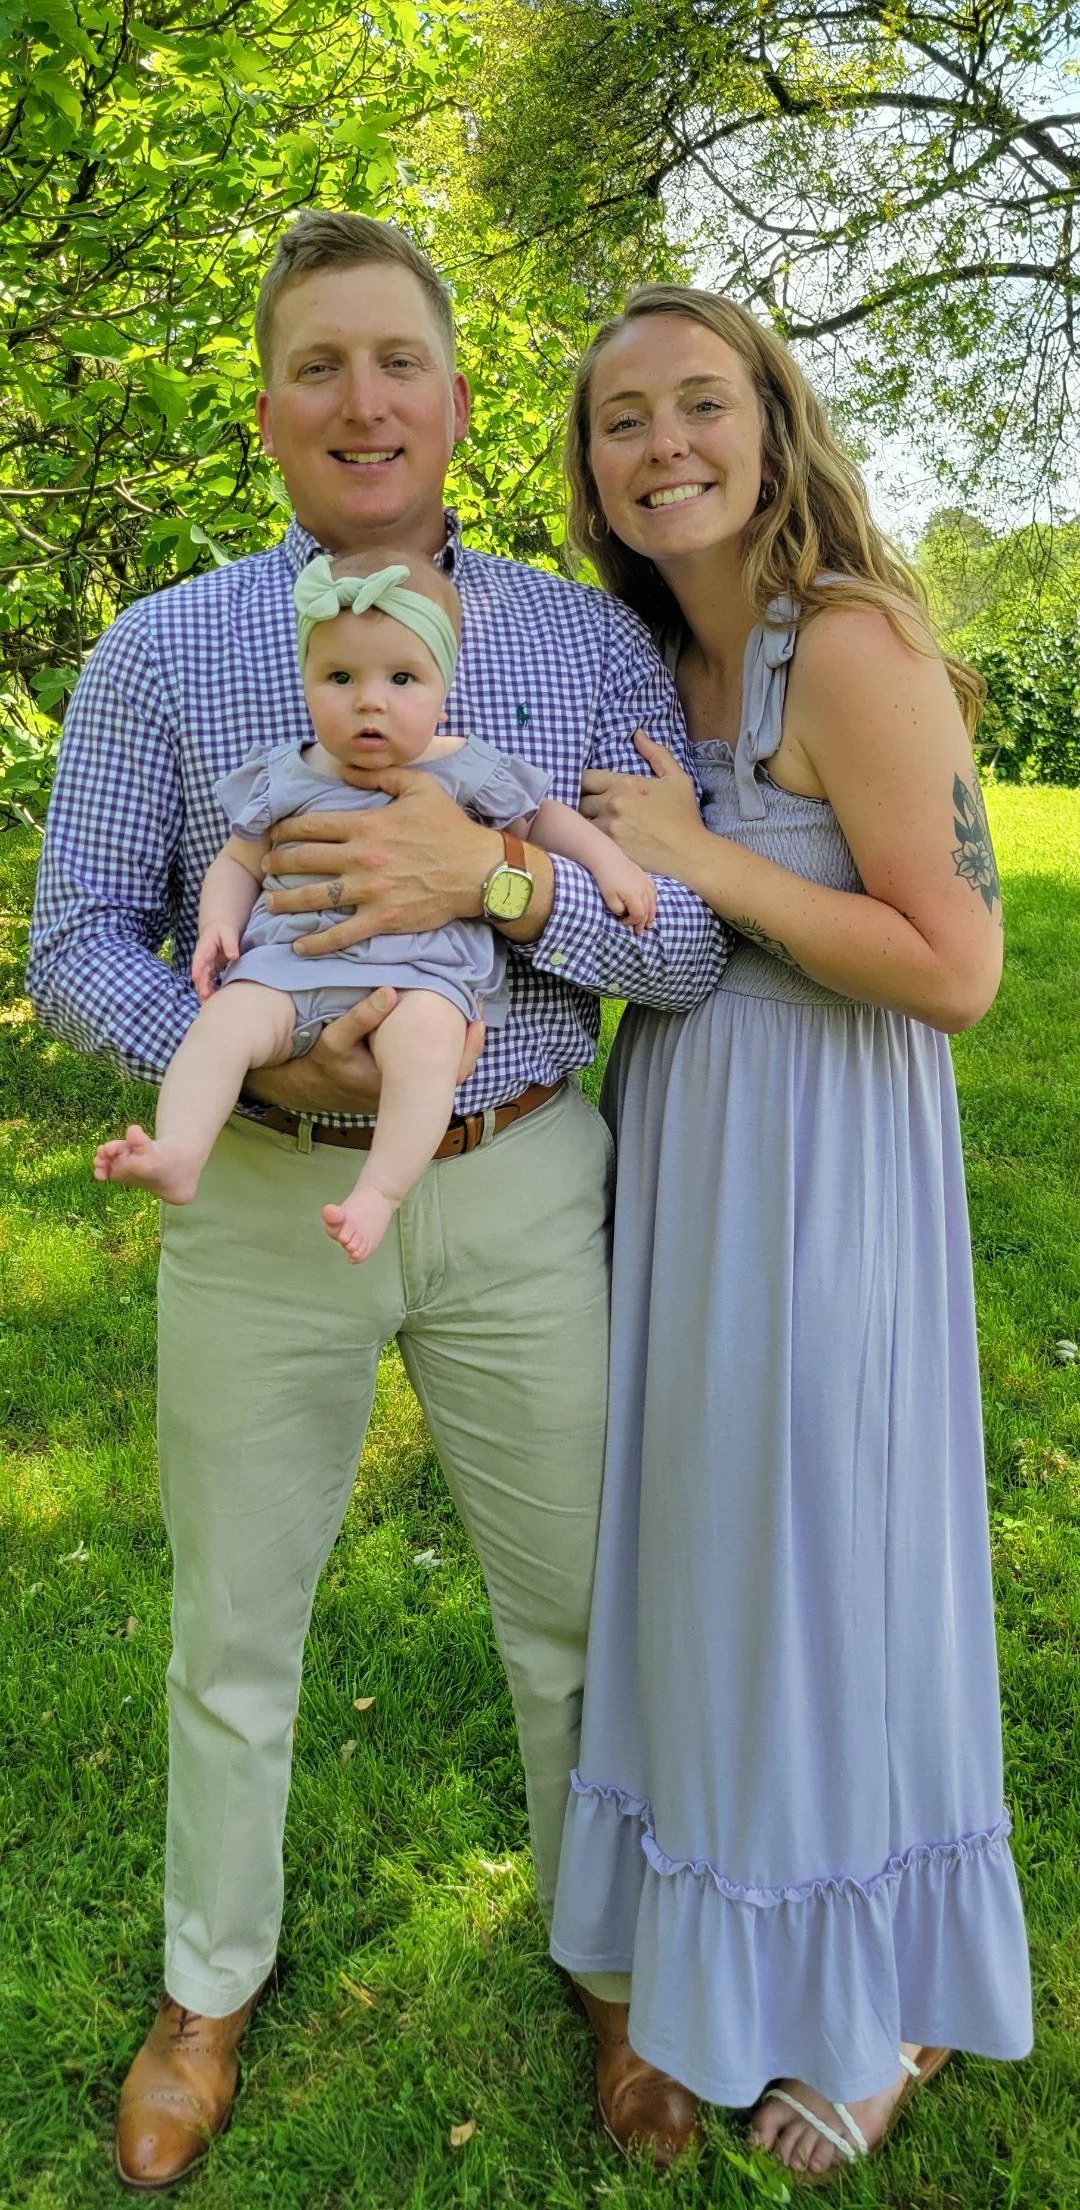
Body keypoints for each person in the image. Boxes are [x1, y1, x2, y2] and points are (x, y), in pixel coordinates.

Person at [27, 217, 724, 2192]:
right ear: (267, 413)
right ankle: (205, 1986)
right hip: (258, 1201)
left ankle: (608, 1962)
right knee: (232, 1626)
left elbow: (673, 958)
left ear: (458, 400)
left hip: (519, 1184)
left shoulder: (579, 651)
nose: (361, 402)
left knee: (579, 1617)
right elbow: (77, 935)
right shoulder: (166, 648)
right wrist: (242, 1039)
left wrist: (494, 890)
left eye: (395, 361)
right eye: (318, 366)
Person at [548, 284, 1033, 2179]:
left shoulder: (850, 644)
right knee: (711, 1544)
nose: (663, 445)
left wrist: (706, 860)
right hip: (685, 1138)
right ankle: (717, 1932)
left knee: (836, 1548)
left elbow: (961, 968)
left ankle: (886, 1998)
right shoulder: (641, 656)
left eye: (700, 405)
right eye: (621, 421)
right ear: (587, 468)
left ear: (772, 421)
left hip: (830, 1156)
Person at [93, 547, 654, 1261]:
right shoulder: (286, 772)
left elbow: (544, 821)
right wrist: (216, 927)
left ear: (442, 686)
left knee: (425, 1045)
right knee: (222, 1026)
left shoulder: (462, 765)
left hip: (417, 978)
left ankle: (381, 1190)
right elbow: (238, 861)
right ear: (305, 682)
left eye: (401, 678)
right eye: (340, 677)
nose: (370, 701)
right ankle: (179, 1150)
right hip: (288, 970)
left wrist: (610, 866)